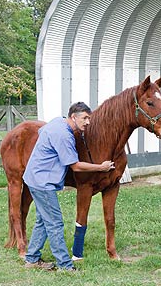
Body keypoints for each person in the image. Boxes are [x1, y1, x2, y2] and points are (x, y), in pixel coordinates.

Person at [22, 102, 115, 271]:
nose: (88, 122)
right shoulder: (64, 135)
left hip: (34, 178)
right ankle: (65, 265)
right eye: (85, 118)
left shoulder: (58, 122)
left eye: (89, 118)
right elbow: (76, 166)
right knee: (55, 223)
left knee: (43, 220)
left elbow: (42, 131)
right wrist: (101, 167)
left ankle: (32, 259)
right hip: (43, 182)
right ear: (73, 117)